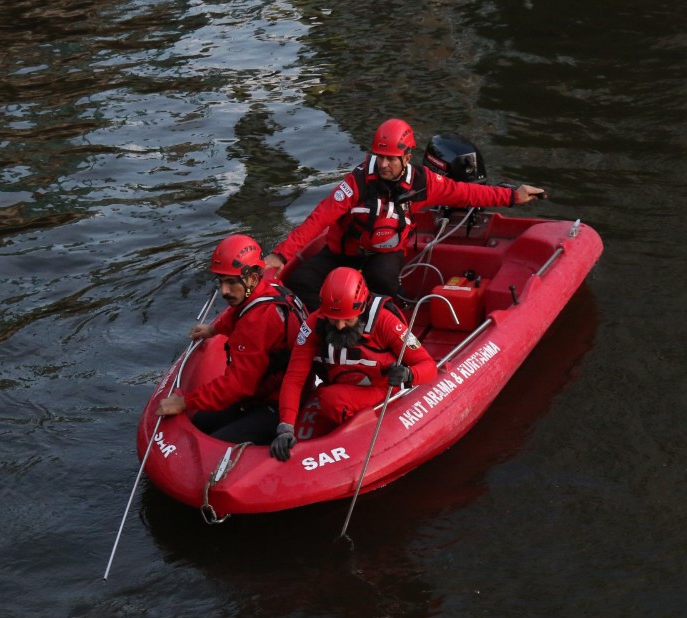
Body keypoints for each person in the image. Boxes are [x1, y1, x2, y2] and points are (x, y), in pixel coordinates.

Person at [263, 118, 546, 309]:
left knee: (384, 284)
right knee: (300, 283)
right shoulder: (356, 183)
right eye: (379, 157)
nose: (383, 164)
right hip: (343, 254)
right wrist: (281, 254)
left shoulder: (425, 182)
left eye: (390, 158)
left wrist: (512, 196)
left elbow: (468, 193)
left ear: (406, 158)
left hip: (383, 254)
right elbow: (320, 218)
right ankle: (327, 327)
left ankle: (383, 327)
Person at [269, 267, 437, 461]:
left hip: (381, 388)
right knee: (310, 420)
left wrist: (408, 375)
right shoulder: (314, 325)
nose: (339, 327)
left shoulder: (385, 322)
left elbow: (428, 365)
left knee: (331, 400)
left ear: (362, 308)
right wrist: (285, 427)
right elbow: (295, 377)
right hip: (338, 389)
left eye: (347, 320)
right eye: (333, 319)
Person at [156, 234, 307, 445]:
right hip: (268, 388)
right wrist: (214, 329)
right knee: (201, 421)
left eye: (230, 283)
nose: (223, 291)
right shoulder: (267, 286)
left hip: (279, 402)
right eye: (221, 281)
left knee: (216, 442)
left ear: (252, 277)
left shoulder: (256, 322)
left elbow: (238, 385)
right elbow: (240, 310)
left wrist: (184, 402)